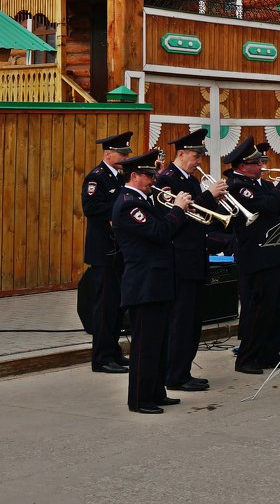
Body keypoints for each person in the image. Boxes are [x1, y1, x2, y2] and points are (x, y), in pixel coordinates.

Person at [111, 150, 191, 414]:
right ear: (134, 176)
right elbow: (159, 233)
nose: (152, 179)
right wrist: (178, 210)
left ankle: (156, 391)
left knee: (158, 342)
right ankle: (139, 399)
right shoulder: (128, 204)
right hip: (144, 283)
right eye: (148, 175)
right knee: (145, 346)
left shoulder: (145, 200)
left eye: (153, 174)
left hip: (157, 280)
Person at [156, 129, 228, 392]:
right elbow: (177, 218)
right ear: (182, 153)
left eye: (201, 156)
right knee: (181, 321)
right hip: (179, 259)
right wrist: (209, 196)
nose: (199, 161)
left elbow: (201, 215)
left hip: (196, 257)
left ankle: (183, 369)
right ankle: (174, 374)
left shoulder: (191, 180)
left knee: (193, 320)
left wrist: (216, 201)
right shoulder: (168, 180)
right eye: (196, 156)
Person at [225, 137, 280, 374]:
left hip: (272, 251)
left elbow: (278, 204)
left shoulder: (259, 183)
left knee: (275, 307)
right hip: (254, 255)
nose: (262, 166)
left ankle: (269, 353)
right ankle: (247, 357)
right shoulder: (236, 185)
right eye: (256, 162)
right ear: (242, 166)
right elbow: (266, 206)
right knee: (256, 309)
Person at [81, 131, 132, 374]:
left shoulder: (120, 178)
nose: (124, 158)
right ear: (108, 154)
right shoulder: (97, 178)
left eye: (125, 154)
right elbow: (91, 208)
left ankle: (113, 351)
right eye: (121, 154)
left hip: (118, 250)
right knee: (104, 307)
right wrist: (120, 207)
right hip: (103, 251)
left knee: (117, 306)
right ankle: (101, 358)